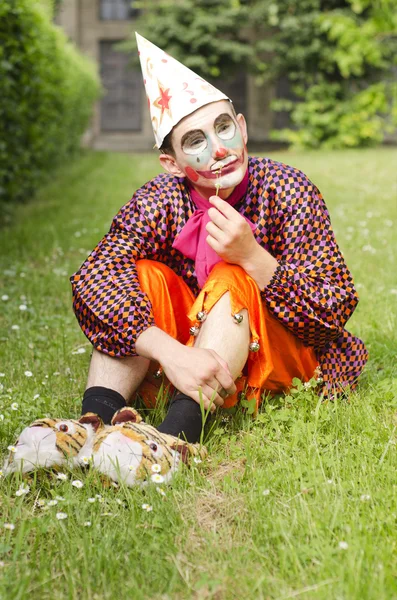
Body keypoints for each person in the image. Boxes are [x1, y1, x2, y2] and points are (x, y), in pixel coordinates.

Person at [70, 34, 368, 443]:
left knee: (231, 275)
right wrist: (173, 353)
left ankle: (174, 438)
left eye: (224, 128)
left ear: (242, 130)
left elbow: (331, 316)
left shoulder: (288, 189)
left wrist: (253, 258)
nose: (219, 149)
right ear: (172, 164)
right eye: (196, 141)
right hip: (179, 364)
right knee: (141, 274)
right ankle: (89, 426)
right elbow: (93, 276)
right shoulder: (160, 200)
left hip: (273, 359)